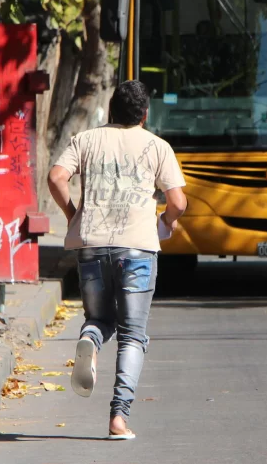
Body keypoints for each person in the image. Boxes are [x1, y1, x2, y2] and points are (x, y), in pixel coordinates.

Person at [48, 80, 187, 440]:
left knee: (98, 318)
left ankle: (90, 343)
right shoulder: (158, 146)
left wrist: (72, 214)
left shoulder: (87, 140)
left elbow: (56, 176)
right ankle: (118, 419)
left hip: (91, 246)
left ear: (111, 110)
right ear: (144, 114)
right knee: (133, 335)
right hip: (138, 248)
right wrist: (166, 223)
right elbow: (179, 202)